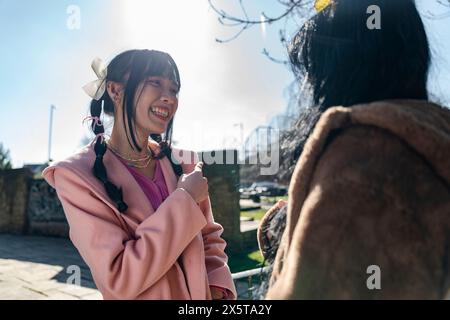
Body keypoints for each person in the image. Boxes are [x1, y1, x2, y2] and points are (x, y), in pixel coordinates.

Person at [259, 0, 450, 299]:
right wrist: (294, 226)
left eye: (313, 73)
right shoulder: (425, 141)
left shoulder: (359, 166)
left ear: (341, 70)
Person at [42, 49, 237, 300]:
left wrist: (217, 288)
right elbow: (119, 278)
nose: (169, 98)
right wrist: (185, 199)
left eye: (174, 89)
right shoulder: (76, 176)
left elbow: (209, 239)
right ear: (115, 91)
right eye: (156, 82)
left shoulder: (186, 163)